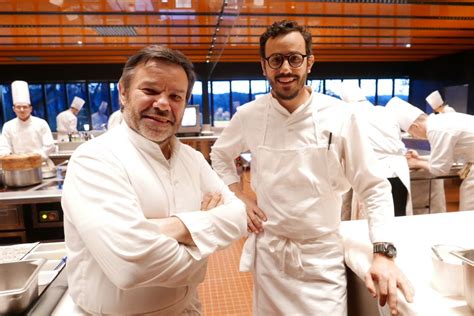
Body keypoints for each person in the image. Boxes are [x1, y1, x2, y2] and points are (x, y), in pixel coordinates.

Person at [210, 20, 413, 315]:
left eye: (294, 58)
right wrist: (239, 197)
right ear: (263, 66)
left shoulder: (340, 115)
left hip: (322, 257)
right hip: (271, 255)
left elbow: (373, 185)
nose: (286, 69)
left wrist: (383, 252)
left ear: (309, 62)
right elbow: (219, 156)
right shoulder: (249, 115)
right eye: (276, 60)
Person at [61, 45, 247, 315]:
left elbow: (238, 216)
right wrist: (204, 239)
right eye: (150, 91)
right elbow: (131, 267)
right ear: (123, 93)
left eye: (175, 96)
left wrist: (169, 229)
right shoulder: (95, 160)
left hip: (186, 309)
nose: (162, 104)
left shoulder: (191, 160)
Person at [386, 98, 474, 211]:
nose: (415, 137)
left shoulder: (436, 130)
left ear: (415, 126)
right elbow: (448, 156)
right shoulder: (439, 121)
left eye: (412, 133)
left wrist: (417, 163)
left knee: (469, 215)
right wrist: (420, 158)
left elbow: (440, 169)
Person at [339, 83, 413, 218]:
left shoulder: (348, 114)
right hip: (398, 172)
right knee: (398, 215)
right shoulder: (384, 111)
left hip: (373, 173)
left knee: (375, 218)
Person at [1, 80, 55, 159]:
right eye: (18, 107)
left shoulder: (41, 123)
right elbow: (3, 147)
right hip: (17, 164)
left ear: (30, 109)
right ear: (14, 109)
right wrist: (9, 155)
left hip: (39, 163)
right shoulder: (8, 126)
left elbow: (49, 146)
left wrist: (33, 157)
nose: (22, 110)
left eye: (25, 107)